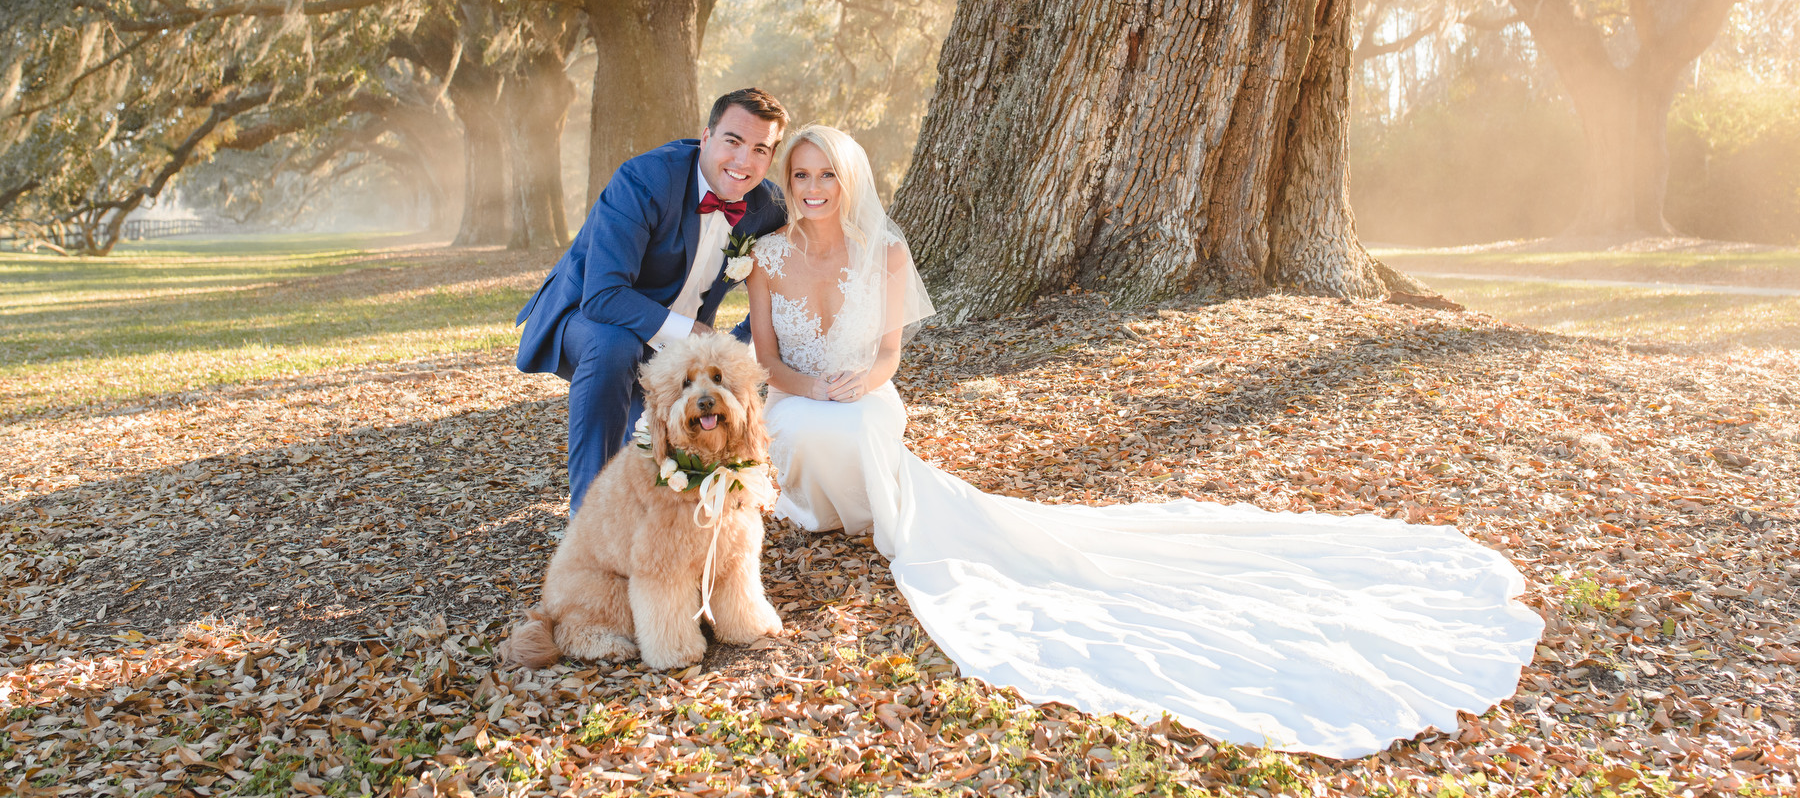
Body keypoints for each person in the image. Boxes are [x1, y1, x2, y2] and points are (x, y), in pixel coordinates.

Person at [745, 125, 1545, 760]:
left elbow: (889, 355)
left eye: (826, 175)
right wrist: (809, 386)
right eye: (801, 176)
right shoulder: (769, 257)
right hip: (800, 394)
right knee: (806, 422)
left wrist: (864, 382)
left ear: (848, 181)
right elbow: (770, 361)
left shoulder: (883, 249)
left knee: (862, 420)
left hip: (869, 396)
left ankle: (876, 513)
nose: (813, 189)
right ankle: (818, 510)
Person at [515, 88, 789, 511]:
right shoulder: (643, 180)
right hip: (586, 317)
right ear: (706, 137)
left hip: (672, 338)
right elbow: (603, 294)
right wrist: (693, 335)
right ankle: (589, 513)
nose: (743, 162)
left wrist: (738, 340)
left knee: (651, 459)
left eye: (760, 150)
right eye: (733, 141)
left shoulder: (766, 206)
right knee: (615, 346)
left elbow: (798, 265)